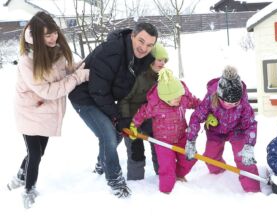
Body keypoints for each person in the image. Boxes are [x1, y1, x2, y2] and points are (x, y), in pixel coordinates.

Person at [7, 11, 89, 209]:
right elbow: (49, 90)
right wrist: (77, 78)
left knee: (38, 152)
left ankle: (20, 175)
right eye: (47, 35)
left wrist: (84, 67)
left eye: (54, 33)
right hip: (29, 111)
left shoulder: (56, 51)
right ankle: (28, 189)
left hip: (46, 111)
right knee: (35, 153)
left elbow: (68, 68)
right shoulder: (27, 60)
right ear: (36, 37)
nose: (53, 38)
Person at [68, 22, 158, 198]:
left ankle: (102, 163)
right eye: (141, 41)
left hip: (104, 95)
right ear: (132, 35)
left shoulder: (143, 59)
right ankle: (115, 180)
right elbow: (98, 90)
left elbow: (136, 88)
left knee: (117, 134)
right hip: (84, 95)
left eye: (149, 45)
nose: (144, 48)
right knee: (108, 133)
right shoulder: (112, 51)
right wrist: (118, 117)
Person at [185, 65, 261, 193]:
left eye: (235, 103)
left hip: (237, 130)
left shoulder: (243, 102)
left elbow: (251, 124)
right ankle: (219, 175)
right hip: (216, 130)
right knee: (210, 156)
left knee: (244, 159)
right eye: (227, 102)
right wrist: (191, 141)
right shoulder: (211, 97)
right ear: (219, 96)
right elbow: (196, 117)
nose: (231, 105)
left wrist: (249, 146)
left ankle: (253, 191)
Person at [129, 68, 200, 193]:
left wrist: (208, 112)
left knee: (190, 158)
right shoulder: (155, 105)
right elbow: (142, 113)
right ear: (165, 98)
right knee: (167, 167)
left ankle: (178, 174)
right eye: (175, 98)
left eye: (179, 95)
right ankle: (165, 191)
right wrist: (134, 126)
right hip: (163, 143)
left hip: (181, 137)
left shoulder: (182, 99)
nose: (179, 99)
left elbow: (196, 103)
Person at [118, 43, 168, 180]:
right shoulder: (138, 77)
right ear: (151, 59)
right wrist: (127, 121)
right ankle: (136, 181)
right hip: (133, 119)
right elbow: (124, 99)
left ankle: (163, 176)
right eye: (159, 59)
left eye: (165, 60)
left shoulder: (164, 77)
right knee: (136, 152)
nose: (162, 63)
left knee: (159, 147)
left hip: (152, 119)